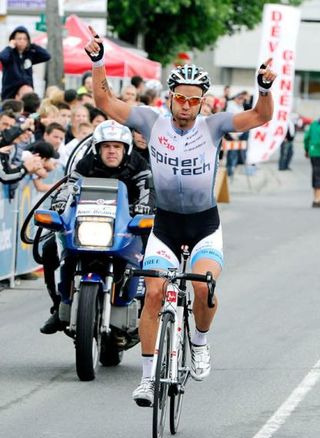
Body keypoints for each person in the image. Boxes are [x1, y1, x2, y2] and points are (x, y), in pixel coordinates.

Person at [85, 27, 277, 407]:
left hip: (204, 224)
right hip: (167, 225)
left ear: (203, 101)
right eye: (180, 99)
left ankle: (200, 343)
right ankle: (145, 378)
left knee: (203, 288)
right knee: (153, 292)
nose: (187, 106)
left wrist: (265, 88)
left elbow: (259, 116)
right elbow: (105, 101)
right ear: (170, 98)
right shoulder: (149, 121)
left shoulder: (215, 126)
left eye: (194, 100)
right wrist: (98, 62)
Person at [40, 119, 155, 334]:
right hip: (88, 226)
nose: (112, 151)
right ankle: (58, 304)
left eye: (117, 146)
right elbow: (69, 185)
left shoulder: (138, 164)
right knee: (48, 248)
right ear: (97, 148)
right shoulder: (86, 164)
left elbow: (147, 189)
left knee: (153, 252)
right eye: (106, 146)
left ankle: (146, 307)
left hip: (125, 226)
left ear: (126, 149)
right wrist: (60, 202)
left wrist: (144, 206)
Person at [0, 25, 51, 100]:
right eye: (19, 38)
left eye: (25, 39)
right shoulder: (9, 53)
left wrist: (32, 45)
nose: (22, 41)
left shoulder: (29, 54)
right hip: (10, 95)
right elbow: (2, 57)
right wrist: (10, 47)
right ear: (13, 40)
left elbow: (47, 56)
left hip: (27, 94)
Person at [304, 118, 320, 207]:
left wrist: (307, 150)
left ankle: (316, 198)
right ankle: (317, 199)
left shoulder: (313, 124)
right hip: (316, 152)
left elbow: (306, 138)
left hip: (314, 152)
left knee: (316, 174)